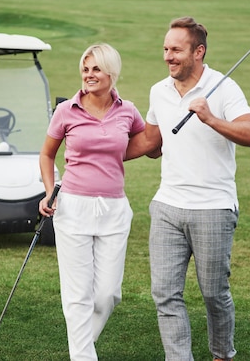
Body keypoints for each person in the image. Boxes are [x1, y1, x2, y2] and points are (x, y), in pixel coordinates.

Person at [126, 16, 250, 361]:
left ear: (198, 52)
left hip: (213, 208)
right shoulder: (159, 91)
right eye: (165, 49)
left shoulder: (224, 88)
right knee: (164, 294)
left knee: (214, 294)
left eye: (176, 50)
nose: (168, 56)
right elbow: (151, 142)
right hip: (167, 207)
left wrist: (211, 119)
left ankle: (222, 354)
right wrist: (95, 151)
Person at [38, 43, 146, 361]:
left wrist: (162, 143)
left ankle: (82, 347)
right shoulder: (65, 111)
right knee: (77, 295)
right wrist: (48, 191)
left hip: (114, 209)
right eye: (85, 69)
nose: (89, 75)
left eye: (96, 69)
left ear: (111, 72)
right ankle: (83, 356)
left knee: (108, 294)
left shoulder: (128, 110)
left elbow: (146, 141)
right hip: (72, 206)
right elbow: (47, 154)